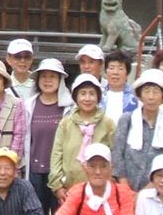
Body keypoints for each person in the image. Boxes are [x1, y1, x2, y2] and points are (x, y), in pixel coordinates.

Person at [49, 72, 115, 204]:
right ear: (76, 96)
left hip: (100, 190)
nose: (87, 98)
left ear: (98, 97)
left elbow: (115, 154)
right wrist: (57, 185)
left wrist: (111, 180)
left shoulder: (108, 123)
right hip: (69, 188)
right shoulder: (66, 123)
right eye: (83, 93)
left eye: (92, 94)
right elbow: (57, 154)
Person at [22, 58, 72, 215]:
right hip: (35, 172)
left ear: (60, 80)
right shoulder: (28, 105)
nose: (48, 80)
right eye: (44, 76)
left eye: (53, 76)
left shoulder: (70, 107)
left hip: (60, 175)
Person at [111, 69, 163, 191]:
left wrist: (146, 192)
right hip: (125, 188)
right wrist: (125, 187)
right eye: (146, 91)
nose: (151, 97)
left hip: (156, 190)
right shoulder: (127, 119)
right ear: (140, 95)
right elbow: (117, 154)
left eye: (156, 92)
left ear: (162, 96)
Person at [101, 50, 137, 124]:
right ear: (106, 71)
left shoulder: (136, 97)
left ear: (127, 73)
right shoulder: (98, 95)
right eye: (111, 68)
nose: (115, 72)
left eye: (120, 69)